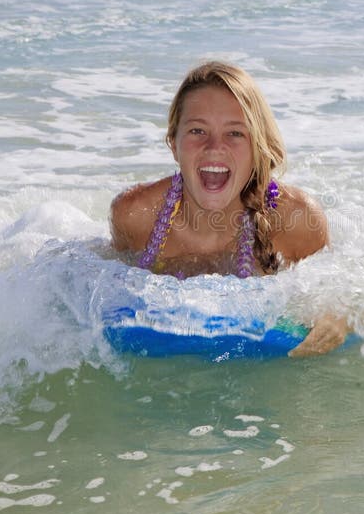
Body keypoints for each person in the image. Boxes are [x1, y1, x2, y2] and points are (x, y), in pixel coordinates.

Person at [110, 61, 348, 356]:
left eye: (235, 133)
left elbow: (348, 289)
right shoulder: (135, 216)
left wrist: (340, 315)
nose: (214, 147)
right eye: (198, 130)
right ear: (174, 143)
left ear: (257, 145)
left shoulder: (296, 219)